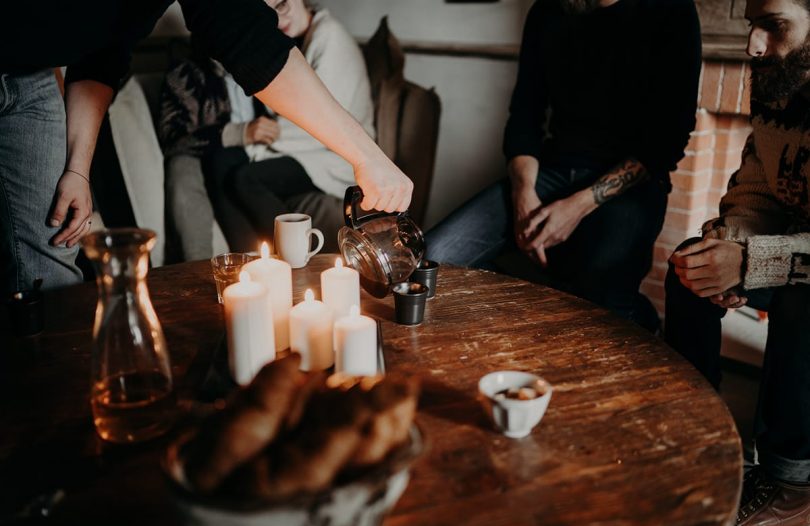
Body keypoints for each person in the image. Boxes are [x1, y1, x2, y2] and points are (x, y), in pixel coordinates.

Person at [0, 1, 410, 296]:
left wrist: (77, 169)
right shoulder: (188, 73)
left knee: (50, 269)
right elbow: (247, 43)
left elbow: (100, 60)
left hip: (30, 77)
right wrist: (368, 158)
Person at [424, 0, 701, 331]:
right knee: (436, 256)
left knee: (598, 309)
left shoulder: (673, 10)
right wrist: (523, 192)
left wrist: (576, 207)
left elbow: (665, 143)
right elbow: (524, 118)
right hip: (549, 171)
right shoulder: (547, 11)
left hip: (630, 183)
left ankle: (637, 317)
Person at [666, 0, 810, 526]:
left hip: (804, 278)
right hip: (792, 252)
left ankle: (792, 484)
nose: (752, 44)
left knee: (801, 296)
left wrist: (752, 262)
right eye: (752, 24)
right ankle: (701, 438)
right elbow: (756, 191)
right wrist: (727, 246)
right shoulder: (780, 84)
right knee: (690, 266)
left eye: (773, 27)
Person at [160, 0, 373, 258]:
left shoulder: (328, 38)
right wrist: (244, 136)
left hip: (329, 153)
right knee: (223, 161)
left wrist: (254, 144)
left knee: (244, 177)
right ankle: (252, 258)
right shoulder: (199, 69)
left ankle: (290, 254)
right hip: (299, 149)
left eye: (283, 5)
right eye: (269, 16)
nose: (279, 22)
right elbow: (177, 136)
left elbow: (317, 120)